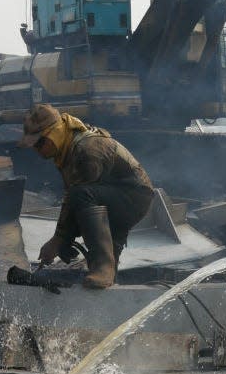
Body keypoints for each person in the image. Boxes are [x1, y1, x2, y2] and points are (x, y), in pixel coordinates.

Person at [19, 104, 154, 288]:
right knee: (109, 251)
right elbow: (77, 202)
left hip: (133, 196)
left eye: (39, 143)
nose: (36, 150)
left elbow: (79, 196)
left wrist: (58, 239)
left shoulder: (87, 149)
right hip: (115, 195)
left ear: (54, 133)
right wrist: (64, 240)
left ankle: (104, 268)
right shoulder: (68, 147)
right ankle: (108, 282)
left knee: (82, 196)